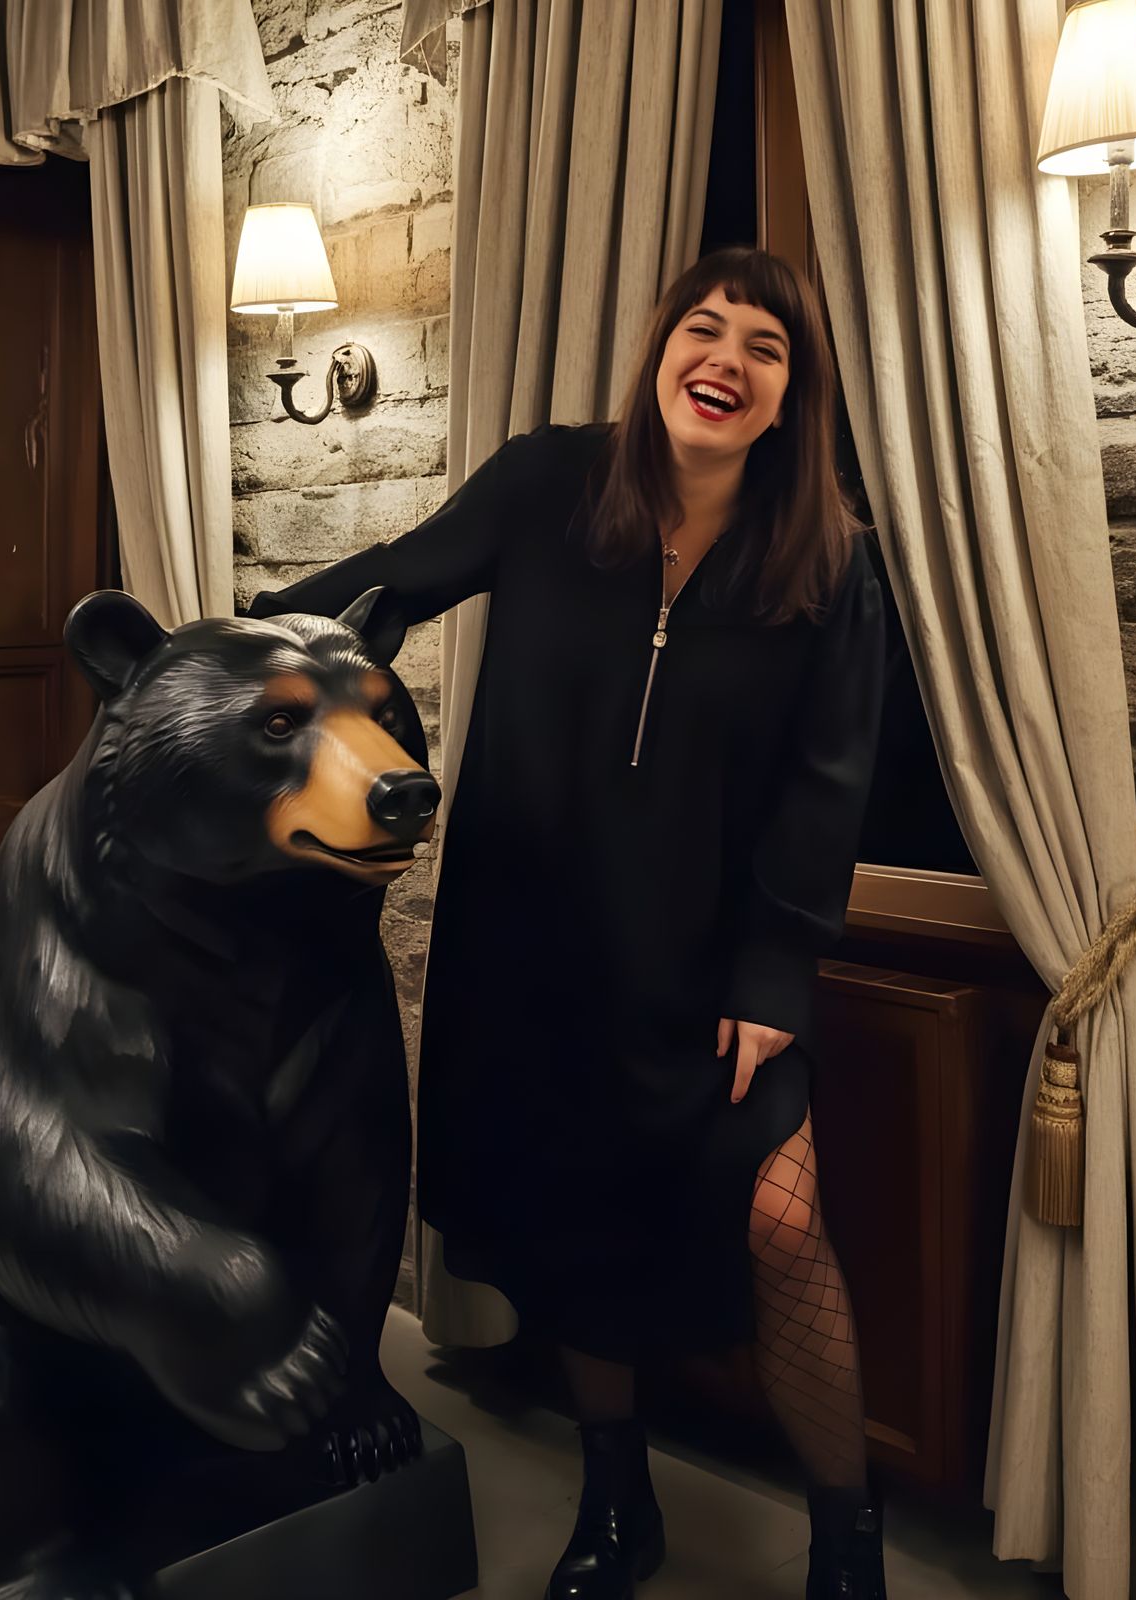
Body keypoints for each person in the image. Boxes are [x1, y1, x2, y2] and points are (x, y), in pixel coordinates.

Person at [248, 246, 888, 1600]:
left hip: (718, 976)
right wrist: (230, 643)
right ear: (661, 349)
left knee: (784, 1229)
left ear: (792, 396)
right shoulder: (549, 481)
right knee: (579, 1224)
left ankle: (847, 1540)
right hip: (538, 948)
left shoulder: (832, 562)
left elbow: (827, 787)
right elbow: (396, 581)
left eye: (764, 347)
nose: (725, 361)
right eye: (704, 329)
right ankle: (615, 1499)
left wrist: (777, 973)